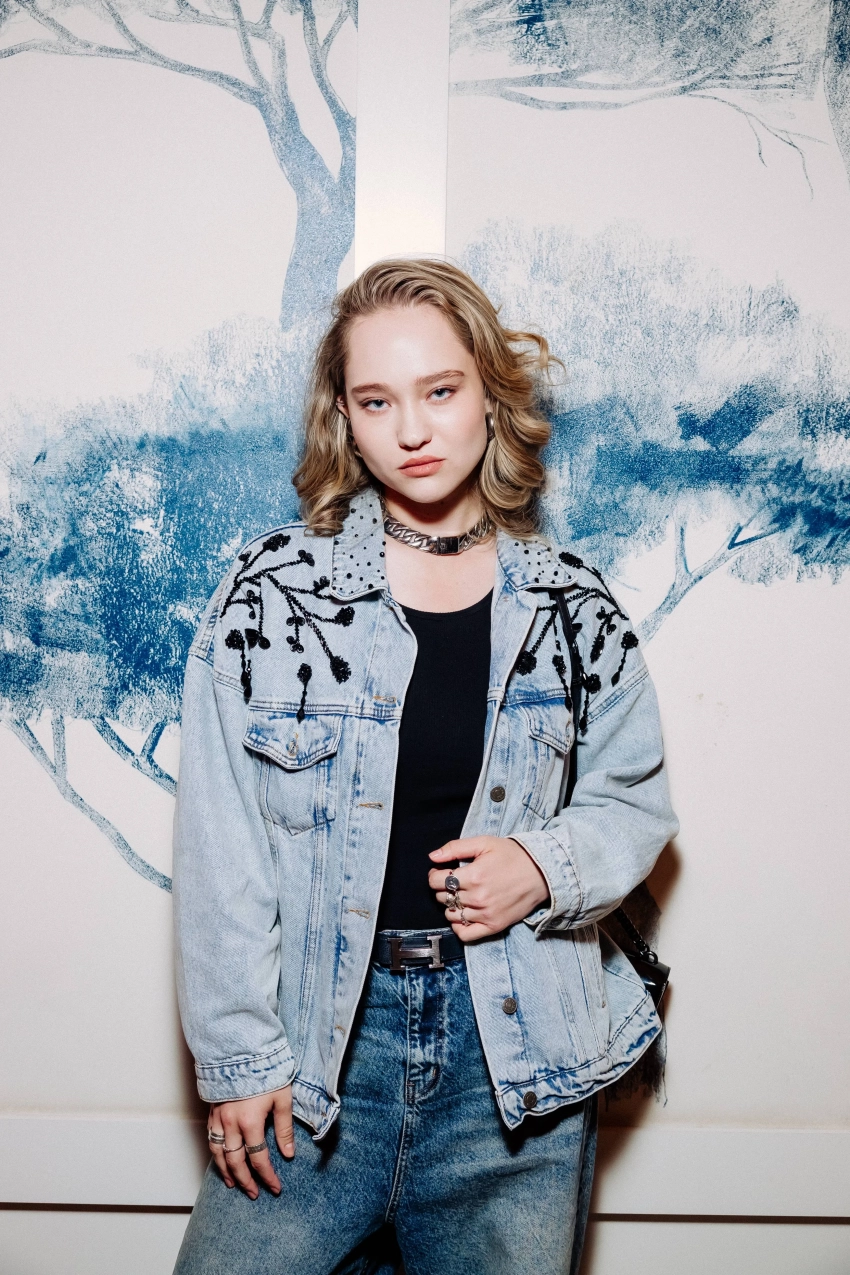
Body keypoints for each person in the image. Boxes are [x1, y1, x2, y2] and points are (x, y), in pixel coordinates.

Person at [172, 259, 678, 1275]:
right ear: (344, 418)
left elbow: (635, 801)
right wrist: (238, 1059)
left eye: (440, 390)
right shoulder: (272, 595)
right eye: (377, 400)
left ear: (489, 394)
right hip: (316, 1061)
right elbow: (221, 845)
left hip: (518, 1072)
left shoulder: (573, 607)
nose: (411, 429)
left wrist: (543, 865)